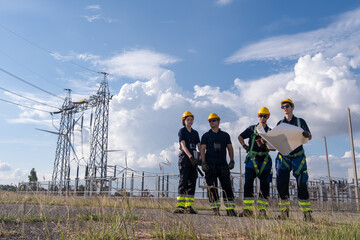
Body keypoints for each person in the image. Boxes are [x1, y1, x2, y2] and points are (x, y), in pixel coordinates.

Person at [275, 98, 313, 221]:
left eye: (287, 106)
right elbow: (275, 139)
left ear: (292, 107)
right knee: (282, 185)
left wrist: (307, 135)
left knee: (302, 185)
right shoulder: (280, 123)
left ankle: (307, 215)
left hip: (298, 157)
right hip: (284, 157)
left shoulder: (300, 121)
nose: (285, 108)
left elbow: (309, 136)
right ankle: (284, 213)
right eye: (283, 107)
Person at [238, 107, 273, 218]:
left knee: (265, 185)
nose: (262, 118)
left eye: (265, 116)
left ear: (268, 117)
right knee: (248, 184)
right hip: (252, 160)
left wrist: (266, 146)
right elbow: (240, 137)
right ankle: (248, 210)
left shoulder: (270, 131)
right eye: (260, 115)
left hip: (265, 161)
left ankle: (262, 211)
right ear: (258, 116)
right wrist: (245, 146)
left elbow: (274, 148)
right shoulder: (252, 129)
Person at [200, 113, 236, 216]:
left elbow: (230, 148)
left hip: (222, 165)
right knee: (212, 187)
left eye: (214, 120)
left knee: (227, 186)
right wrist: (203, 162)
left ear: (218, 121)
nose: (211, 122)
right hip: (210, 165)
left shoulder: (225, 135)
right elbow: (202, 149)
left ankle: (230, 209)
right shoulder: (206, 136)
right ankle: (215, 210)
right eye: (210, 121)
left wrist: (232, 160)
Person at [174, 111, 200, 214]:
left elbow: (199, 146)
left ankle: (189, 206)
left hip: (193, 161)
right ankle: (180, 206)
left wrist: (201, 159)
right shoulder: (182, 131)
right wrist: (190, 157)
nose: (190, 121)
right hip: (185, 159)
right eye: (188, 119)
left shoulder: (195, 133)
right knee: (183, 181)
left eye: (191, 119)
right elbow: (183, 145)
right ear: (184, 121)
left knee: (192, 182)